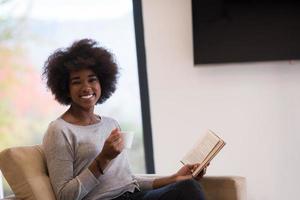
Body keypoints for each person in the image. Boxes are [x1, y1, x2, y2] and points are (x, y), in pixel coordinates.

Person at [42, 38, 207, 200]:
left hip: (132, 195)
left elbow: (127, 181)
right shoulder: (59, 130)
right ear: (65, 88)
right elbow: (65, 196)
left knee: (187, 187)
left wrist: (173, 179)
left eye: (92, 79)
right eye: (76, 82)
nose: (86, 87)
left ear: (102, 82)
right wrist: (103, 158)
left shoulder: (110, 124)